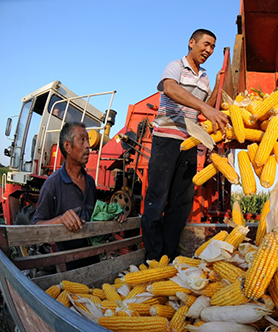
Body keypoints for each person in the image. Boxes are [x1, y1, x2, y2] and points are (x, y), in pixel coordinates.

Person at [141, 28, 229, 262]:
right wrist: (203, 107)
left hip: (189, 142)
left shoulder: (205, 77)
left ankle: (167, 258)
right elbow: (169, 88)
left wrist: (219, 84)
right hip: (167, 138)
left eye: (212, 47)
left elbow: (206, 105)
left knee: (181, 204)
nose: (209, 50)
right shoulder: (175, 66)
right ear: (192, 43)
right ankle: (152, 257)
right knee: (157, 198)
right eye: (206, 44)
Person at [32, 122, 125, 270]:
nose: (88, 145)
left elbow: (94, 215)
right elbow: (35, 228)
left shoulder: (90, 182)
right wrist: (60, 220)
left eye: (88, 140)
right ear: (67, 146)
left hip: (91, 261)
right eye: (82, 140)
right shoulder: (52, 185)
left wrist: (114, 215)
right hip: (65, 266)